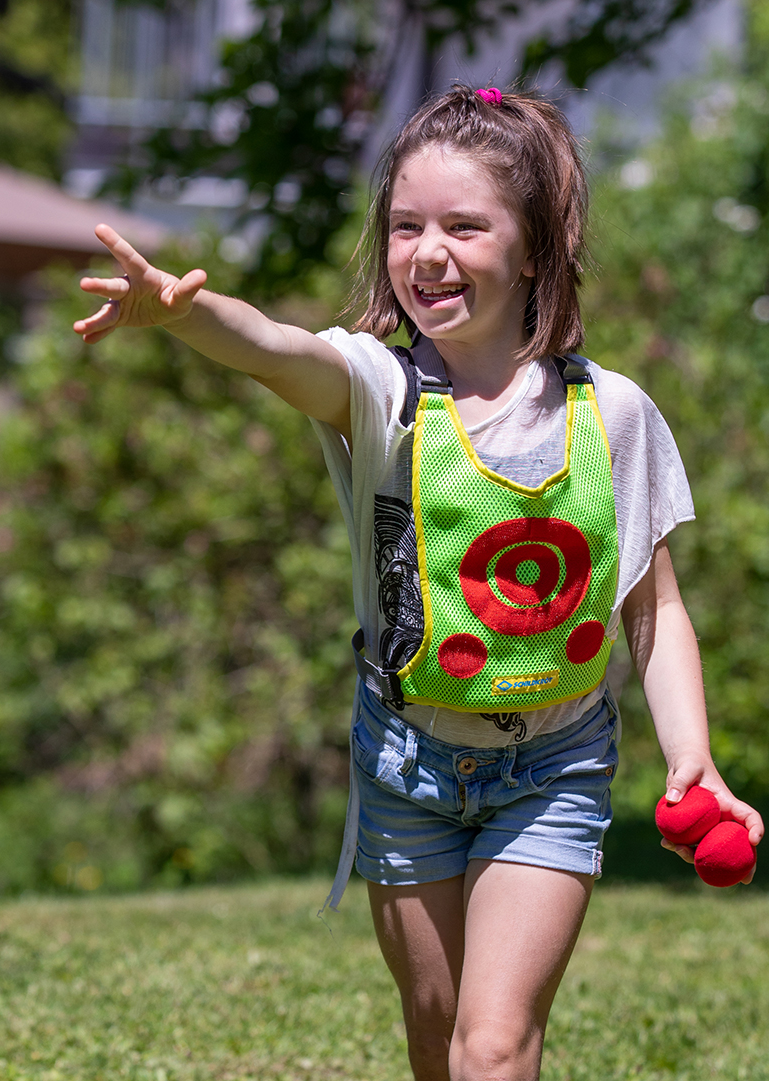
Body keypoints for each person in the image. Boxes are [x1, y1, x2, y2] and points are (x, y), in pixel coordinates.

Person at [73, 84, 763, 1081]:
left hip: (556, 766)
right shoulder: (381, 390)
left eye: (464, 225)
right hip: (408, 764)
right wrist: (183, 316)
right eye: (405, 225)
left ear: (532, 248)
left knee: (494, 1043)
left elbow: (651, 609)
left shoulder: (613, 413)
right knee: (439, 1042)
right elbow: (279, 350)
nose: (427, 251)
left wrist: (691, 759)